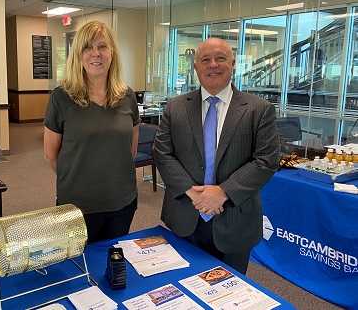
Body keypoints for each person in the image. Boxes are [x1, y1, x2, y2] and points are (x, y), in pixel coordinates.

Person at [154, 37, 280, 274]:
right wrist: (196, 194)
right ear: (195, 68)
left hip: (235, 220)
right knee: (182, 287)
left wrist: (223, 192)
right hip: (185, 215)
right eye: (205, 59)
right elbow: (162, 153)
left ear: (232, 63)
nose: (213, 64)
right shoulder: (175, 106)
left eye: (220, 58)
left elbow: (266, 161)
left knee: (231, 291)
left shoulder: (259, 109)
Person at [44, 20, 140, 244]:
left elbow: (131, 149)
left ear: (112, 53)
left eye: (102, 46)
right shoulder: (61, 97)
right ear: (78, 54)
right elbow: (51, 155)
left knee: (113, 263)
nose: (95, 53)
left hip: (122, 202)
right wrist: (79, 180)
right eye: (87, 47)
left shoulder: (127, 97)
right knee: (80, 269)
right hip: (77, 206)